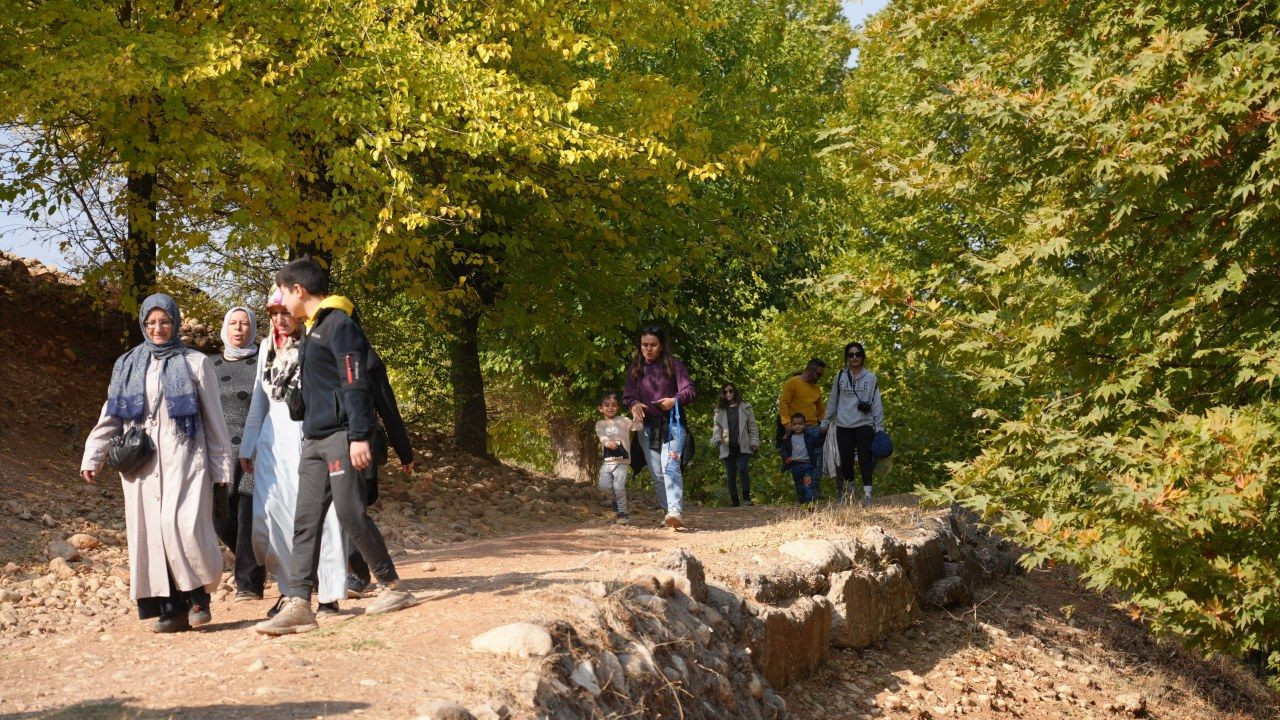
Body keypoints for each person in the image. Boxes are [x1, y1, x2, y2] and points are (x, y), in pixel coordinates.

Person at [255, 258, 417, 636]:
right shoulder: (312, 332)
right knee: (305, 518)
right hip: (314, 439)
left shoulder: (339, 326)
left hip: (342, 437)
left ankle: (392, 586)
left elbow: (356, 383)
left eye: (283, 290)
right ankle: (299, 603)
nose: (281, 300)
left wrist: (360, 435)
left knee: (349, 511)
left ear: (299, 290)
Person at [81, 294, 233, 633]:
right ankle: (170, 609)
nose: (158, 328)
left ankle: (198, 599)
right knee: (151, 534)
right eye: (151, 322)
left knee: (183, 527)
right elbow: (111, 416)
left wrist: (222, 470)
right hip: (142, 466)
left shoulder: (195, 362)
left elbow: (214, 422)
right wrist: (94, 454)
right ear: (143, 324)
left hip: (186, 460)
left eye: (164, 321)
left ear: (175, 322)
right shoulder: (127, 365)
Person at [239, 290, 347, 615]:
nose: (280, 319)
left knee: (321, 514)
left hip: (307, 431)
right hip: (272, 440)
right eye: (273, 313)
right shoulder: (265, 348)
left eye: (285, 312)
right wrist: (248, 444)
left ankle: (328, 592)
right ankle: (289, 591)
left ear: (297, 313)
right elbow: (260, 396)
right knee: (271, 514)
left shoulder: (314, 341)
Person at [345, 342, 416, 598]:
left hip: (363, 445)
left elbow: (387, 406)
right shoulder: (314, 351)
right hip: (321, 443)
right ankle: (344, 572)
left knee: (352, 509)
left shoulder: (368, 359)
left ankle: (361, 574)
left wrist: (404, 452)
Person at [212, 306, 267, 601]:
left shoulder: (263, 362)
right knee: (220, 518)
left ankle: (248, 583)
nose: (238, 329)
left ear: (253, 328)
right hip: (218, 449)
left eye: (244, 324)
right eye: (233, 323)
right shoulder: (209, 364)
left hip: (253, 446)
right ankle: (259, 560)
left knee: (248, 517)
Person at [622, 325, 696, 530]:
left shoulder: (674, 366)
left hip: (673, 424)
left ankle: (675, 511)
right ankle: (669, 513)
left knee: (670, 466)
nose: (648, 348)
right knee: (656, 473)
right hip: (647, 428)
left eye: (653, 345)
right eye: (644, 344)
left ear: (661, 345)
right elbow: (628, 395)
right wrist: (634, 404)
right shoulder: (636, 368)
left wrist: (675, 400)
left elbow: (690, 390)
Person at [820, 342, 884, 505]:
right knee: (845, 461)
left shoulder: (870, 377)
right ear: (847, 358)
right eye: (851, 354)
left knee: (864, 459)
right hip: (843, 424)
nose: (854, 357)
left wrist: (880, 427)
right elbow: (833, 400)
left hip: (864, 423)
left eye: (858, 354)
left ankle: (868, 493)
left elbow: (876, 403)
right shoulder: (840, 376)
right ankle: (850, 492)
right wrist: (825, 423)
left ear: (863, 357)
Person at [711, 383, 759, 507]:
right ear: (722, 394)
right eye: (725, 391)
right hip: (727, 446)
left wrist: (754, 442)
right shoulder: (719, 411)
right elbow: (717, 429)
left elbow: (753, 427)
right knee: (731, 473)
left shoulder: (745, 408)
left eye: (731, 391)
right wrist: (716, 439)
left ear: (735, 392)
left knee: (743, 468)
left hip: (743, 444)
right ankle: (735, 502)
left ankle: (747, 499)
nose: (728, 394)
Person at [595, 392, 636, 522]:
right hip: (607, 462)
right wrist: (607, 442)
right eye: (606, 405)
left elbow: (637, 426)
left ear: (617, 407)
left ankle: (623, 513)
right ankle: (615, 501)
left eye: (613, 405)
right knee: (604, 486)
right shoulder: (600, 424)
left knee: (619, 487)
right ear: (600, 408)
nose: (610, 408)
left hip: (622, 461)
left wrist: (636, 415)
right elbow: (601, 436)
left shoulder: (623, 420)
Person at [779, 413, 819, 504]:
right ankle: (802, 501)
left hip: (807, 465)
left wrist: (822, 432)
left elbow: (818, 443)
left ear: (804, 425)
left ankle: (810, 504)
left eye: (800, 424)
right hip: (795, 466)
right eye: (795, 424)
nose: (798, 426)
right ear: (791, 425)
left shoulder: (809, 436)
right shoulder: (788, 438)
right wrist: (786, 458)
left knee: (808, 484)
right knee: (799, 485)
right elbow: (783, 450)